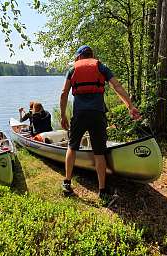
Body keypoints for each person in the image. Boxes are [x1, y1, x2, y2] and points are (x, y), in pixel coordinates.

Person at [59, 45, 140, 204]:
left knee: (72, 147)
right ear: (91, 55)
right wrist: (130, 106)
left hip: (80, 115)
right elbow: (117, 86)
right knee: (99, 152)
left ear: (79, 57)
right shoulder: (101, 67)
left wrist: (63, 115)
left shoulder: (72, 69)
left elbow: (64, 93)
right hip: (97, 114)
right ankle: (102, 190)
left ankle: (67, 183)